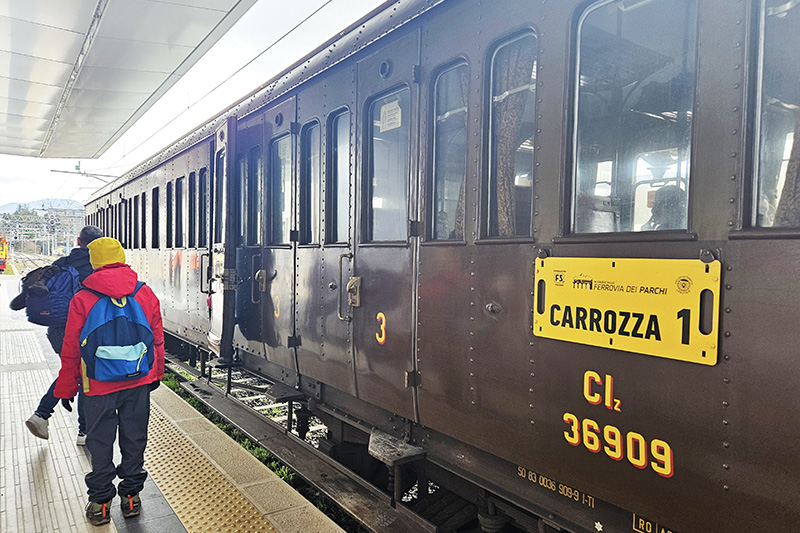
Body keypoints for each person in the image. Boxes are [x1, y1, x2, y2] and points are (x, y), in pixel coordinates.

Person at [53, 237, 164, 526]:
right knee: (135, 437)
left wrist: (66, 387)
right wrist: (156, 373)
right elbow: (157, 338)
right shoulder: (144, 292)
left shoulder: (83, 298)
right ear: (122, 258)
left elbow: (71, 349)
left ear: (94, 262)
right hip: (138, 379)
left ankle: (101, 503)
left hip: (97, 384)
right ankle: (131, 497)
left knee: (100, 441)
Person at [17, 225, 103, 445]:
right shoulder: (97, 267)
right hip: (84, 330)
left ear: (78, 241)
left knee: (75, 371)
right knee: (84, 375)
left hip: (57, 331)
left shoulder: (60, 264)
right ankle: (82, 430)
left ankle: (42, 415)